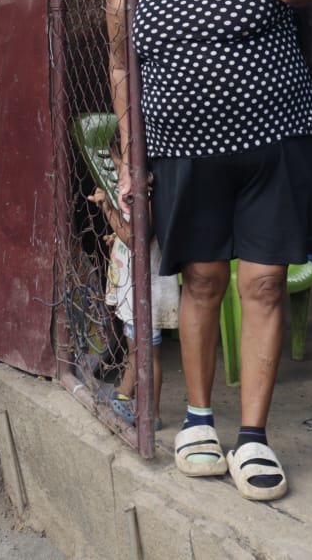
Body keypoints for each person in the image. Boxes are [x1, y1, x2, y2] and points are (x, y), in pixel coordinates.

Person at [105, 0, 312, 502]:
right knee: (201, 282)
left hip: (271, 144)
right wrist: (132, 156)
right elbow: (118, 66)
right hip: (182, 154)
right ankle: (198, 420)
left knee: (260, 283)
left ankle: (252, 437)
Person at [90, 130, 179, 430]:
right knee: (136, 351)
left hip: (148, 290)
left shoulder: (149, 198)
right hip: (134, 289)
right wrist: (116, 235)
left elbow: (138, 240)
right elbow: (129, 232)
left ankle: (150, 414)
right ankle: (123, 396)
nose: (118, 175)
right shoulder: (139, 194)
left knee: (147, 354)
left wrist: (108, 210)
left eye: (121, 168)